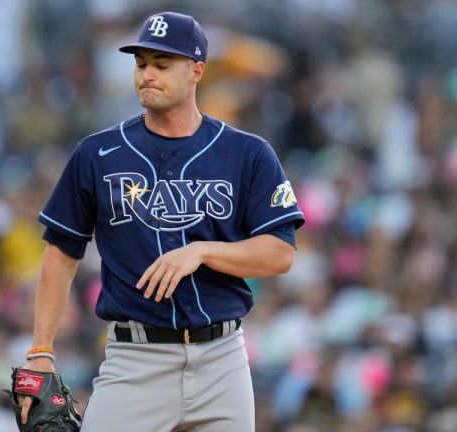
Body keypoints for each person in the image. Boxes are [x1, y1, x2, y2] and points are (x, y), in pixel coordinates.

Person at [19, 11, 305, 432]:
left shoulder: (247, 153)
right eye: (141, 64)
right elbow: (62, 251)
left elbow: (280, 253)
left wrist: (201, 251)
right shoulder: (98, 153)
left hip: (222, 360)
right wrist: (39, 351)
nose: (147, 75)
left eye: (162, 64)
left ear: (197, 70)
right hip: (136, 360)